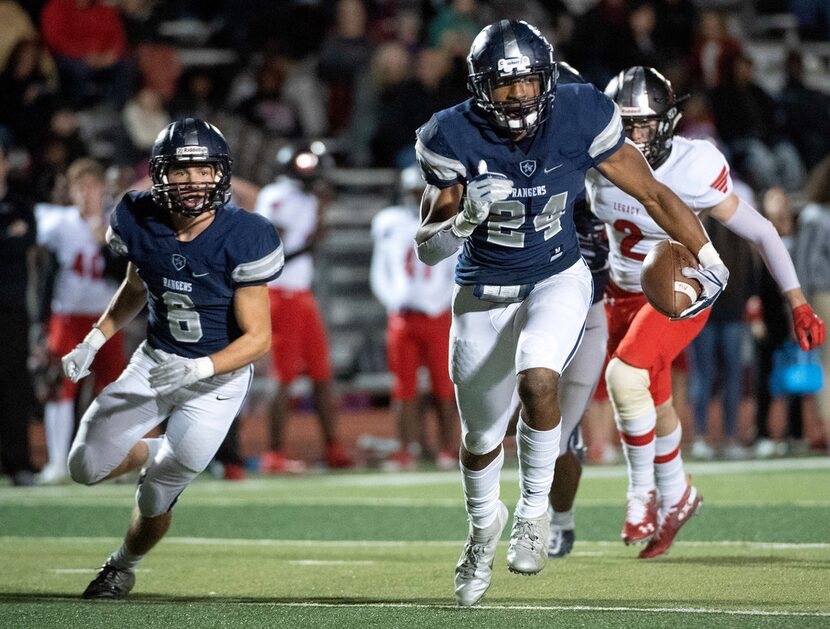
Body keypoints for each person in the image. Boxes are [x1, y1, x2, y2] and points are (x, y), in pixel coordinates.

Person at [414, 21, 729, 607]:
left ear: (549, 78)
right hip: (483, 289)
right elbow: (426, 244)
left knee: (540, 377)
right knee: (481, 436)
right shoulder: (449, 134)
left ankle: (534, 513)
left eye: (530, 82)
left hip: (557, 275)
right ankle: (483, 531)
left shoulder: (581, 112)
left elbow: (656, 194)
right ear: (481, 86)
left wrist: (712, 260)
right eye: (506, 86)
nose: (520, 97)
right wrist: (461, 222)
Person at [588, 66, 825, 560]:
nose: (634, 135)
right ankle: (678, 495)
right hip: (621, 293)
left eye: (644, 123)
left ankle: (641, 495)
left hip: (681, 289)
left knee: (623, 377)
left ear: (668, 121)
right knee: (651, 400)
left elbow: (760, 230)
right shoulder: (595, 159)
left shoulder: (691, 165)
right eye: (624, 123)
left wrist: (796, 298)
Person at [61, 118, 283, 599]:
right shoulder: (138, 216)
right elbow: (136, 284)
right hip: (155, 360)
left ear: (220, 174)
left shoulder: (245, 234)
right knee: (83, 467)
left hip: (215, 380)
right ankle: (152, 449)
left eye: (203, 169)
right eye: (181, 171)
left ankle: (122, 565)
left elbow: (259, 338)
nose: (193, 181)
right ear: (160, 175)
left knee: (154, 494)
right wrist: (95, 340)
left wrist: (200, 368)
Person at [253, 142, 353, 473]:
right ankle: (274, 452)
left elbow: (314, 242)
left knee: (322, 374)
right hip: (280, 292)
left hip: (300, 293)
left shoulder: (308, 199)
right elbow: (272, 247)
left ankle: (333, 447)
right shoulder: (276, 194)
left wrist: (321, 208)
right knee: (283, 376)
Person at [34, 158, 125, 484]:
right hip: (68, 315)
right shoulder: (58, 222)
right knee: (62, 389)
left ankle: (107, 462)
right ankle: (58, 462)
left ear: (103, 188)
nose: (87, 193)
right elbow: (37, 254)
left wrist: (105, 243)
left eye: (92, 185)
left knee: (112, 391)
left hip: (107, 317)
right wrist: (40, 320)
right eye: (80, 186)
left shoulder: (117, 222)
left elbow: (125, 273)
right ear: (70, 191)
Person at [370, 165, 458, 471]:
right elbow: (381, 268)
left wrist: (439, 302)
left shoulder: (448, 220)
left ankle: (449, 448)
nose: (418, 197)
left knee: (444, 386)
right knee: (403, 386)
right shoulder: (390, 221)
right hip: (403, 316)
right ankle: (405, 449)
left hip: (437, 315)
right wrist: (394, 300)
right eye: (413, 191)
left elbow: (454, 269)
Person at [0, 136, 37, 486]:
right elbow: (13, 243)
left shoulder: (21, 206)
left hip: (11, 308)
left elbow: (25, 241)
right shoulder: (17, 214)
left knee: (14, 385)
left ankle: (19, 462)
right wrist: (7, 237)